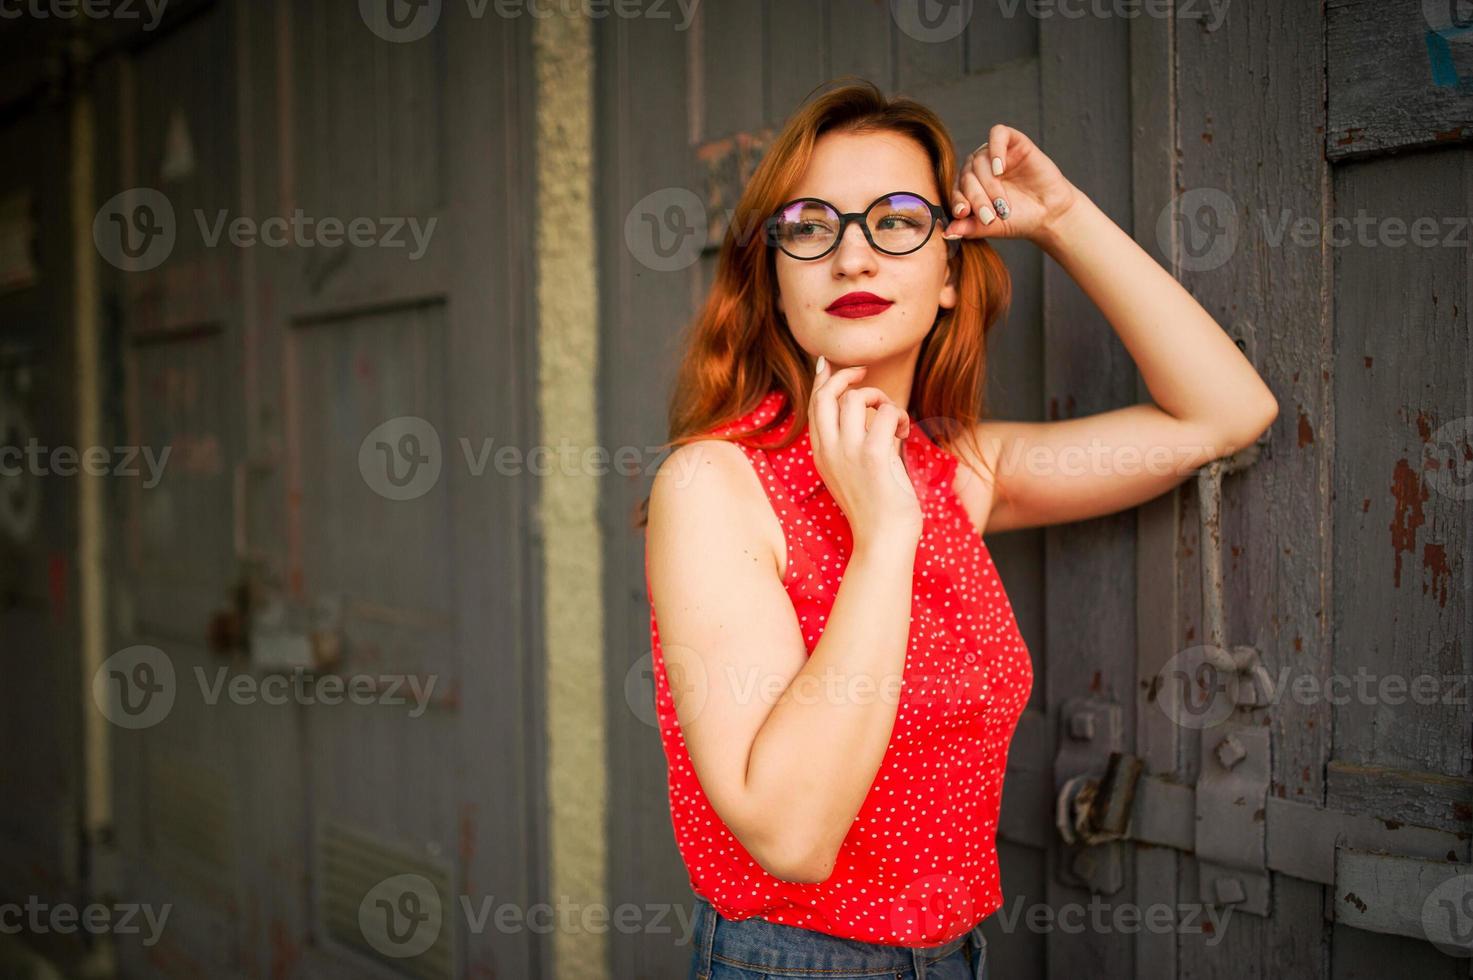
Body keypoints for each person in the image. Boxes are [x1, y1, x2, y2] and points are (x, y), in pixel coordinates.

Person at [639, 77, 1277, 980]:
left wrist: (1061, 218)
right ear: (773, 281)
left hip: (954, 959)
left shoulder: (958, 470)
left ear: (947, 274)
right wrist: (884, 534)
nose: (852, 258)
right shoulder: (714, 482)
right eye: (811, 227)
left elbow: (1224, 414)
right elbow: (790, 835)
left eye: (895, 220)